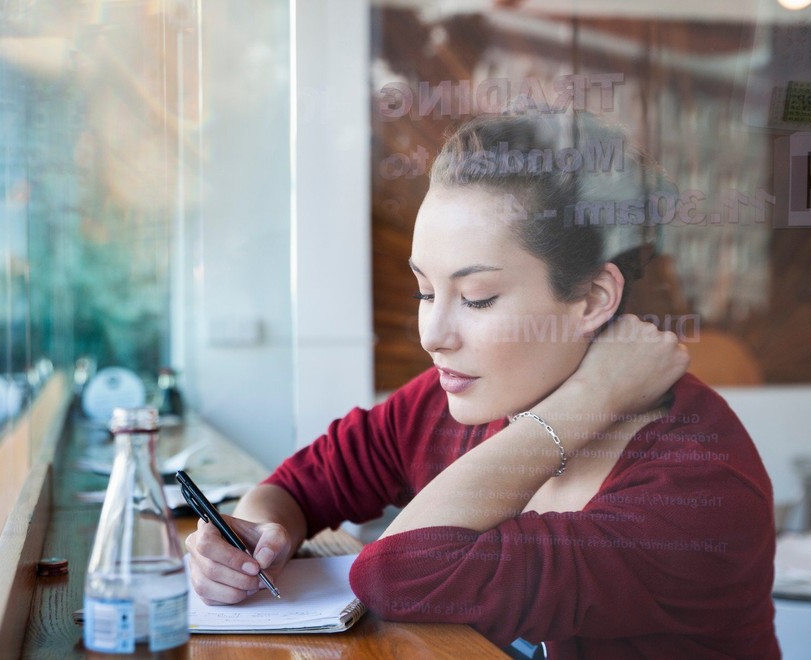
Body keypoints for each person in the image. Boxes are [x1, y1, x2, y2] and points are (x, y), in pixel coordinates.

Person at [186, 111, 780, 659]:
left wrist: (587, 404)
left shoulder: (695, 487)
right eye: (425, 291)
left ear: (594, 299)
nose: (433, 335)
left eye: (477, 298)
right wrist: (255, 537)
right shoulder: (455, 400)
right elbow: (295, 489)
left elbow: (395, 575)